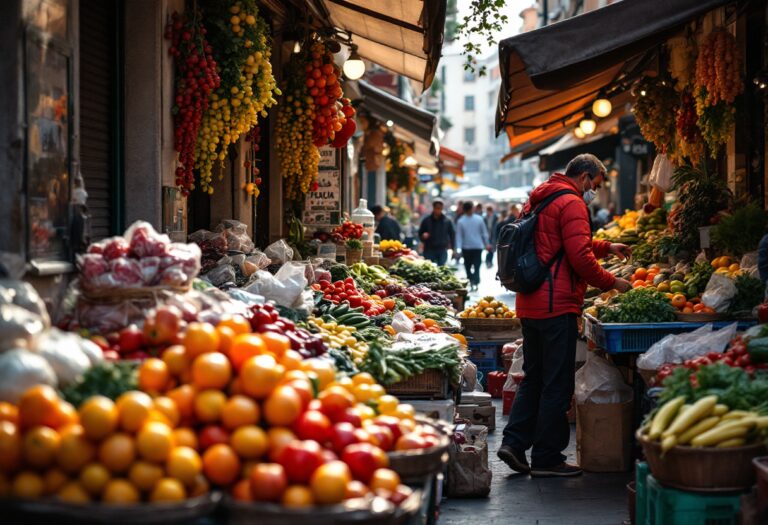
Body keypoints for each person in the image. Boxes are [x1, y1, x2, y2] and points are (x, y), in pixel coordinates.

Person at [497, 154, 632, 478]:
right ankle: (546, 458)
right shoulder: (572, 203)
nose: (593, 192)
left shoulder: (541, 195)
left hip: (530, 303)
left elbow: (554, 242)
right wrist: (613, 282)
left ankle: (513, 444)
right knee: (557, 382)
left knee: (536, 377)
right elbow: (578, 258)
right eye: (595, 185)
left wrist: (606, 246)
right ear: (585, 177)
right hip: (556, 304)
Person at [455, 201, 491, 291]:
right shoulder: (479, 219)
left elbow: (459, 236)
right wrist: (487, 243)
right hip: (477, 247)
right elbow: (484, 233)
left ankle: (472, 280)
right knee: (477, 265)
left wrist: (458, 248)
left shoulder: (461, 221)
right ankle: (475, 281)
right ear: (472, 208)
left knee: (468, 265)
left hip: (468, 247)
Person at [418, 200, 455, 266]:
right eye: (437, 208)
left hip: (442, 249)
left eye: (440, 208)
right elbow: (420, 233)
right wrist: (423, 236)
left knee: (441, 268)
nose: (438, 210)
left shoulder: (447, 221)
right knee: (429, 268)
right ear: (434, 208)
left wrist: (453, 248)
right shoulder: (426, 220)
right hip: (429, 249)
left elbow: (452, 234)